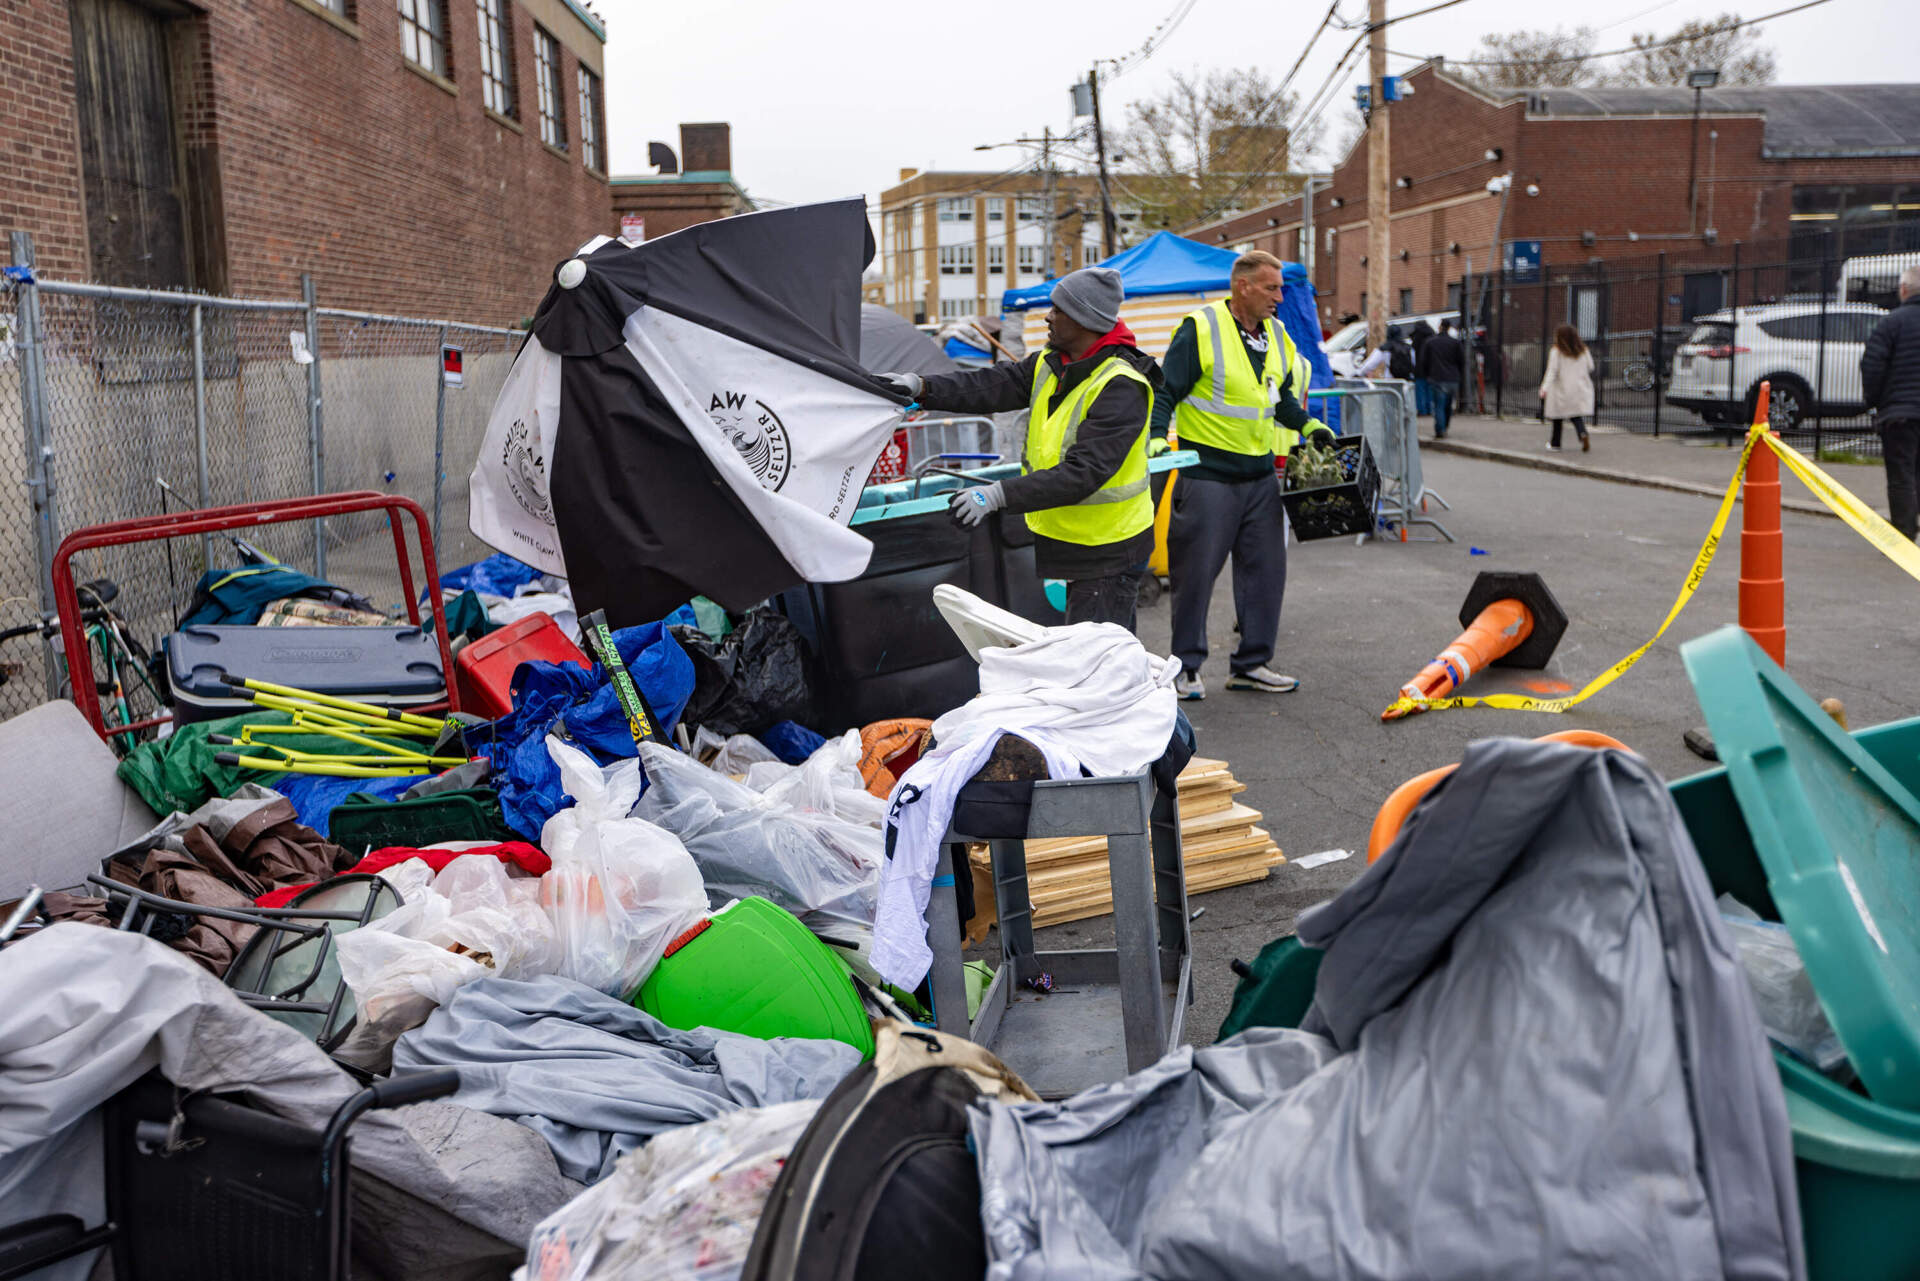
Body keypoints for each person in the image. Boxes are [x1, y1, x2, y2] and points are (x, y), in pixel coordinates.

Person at [875, 266, 1163, 630]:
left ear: (1085, 319)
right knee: (1087, 658)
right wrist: (921, 387)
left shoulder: (1121, 385)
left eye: (1058, 310)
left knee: (1097, 669)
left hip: (1108, 550)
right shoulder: (1052, 363)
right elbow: (990, 385)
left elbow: (1083, 473)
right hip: (1073, 543)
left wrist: (996, 495)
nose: (1048, 316)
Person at [1150, 249, 1332, 699]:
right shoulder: (1202, 328)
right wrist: (1156, 435)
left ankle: (1251, 664)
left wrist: (1308, 425)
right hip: (1207, 476)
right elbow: (1165, 390)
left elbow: (1281, 400)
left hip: (1258, 478)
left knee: (1265, 574)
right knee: (1194, 578)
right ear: (1243, 287)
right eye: (1271, 288)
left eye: (1281, 288)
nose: (1279, 297)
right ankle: (1186, 669)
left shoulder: (1278, 336)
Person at [1862, 263, 1920, 541]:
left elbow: (1872, 365)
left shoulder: (1891, 322)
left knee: (1901, 474)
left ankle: (1905, 535)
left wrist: (1873, 401)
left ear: (1904, 289)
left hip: (1900, 414)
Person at [1540, 324, 1596, 452]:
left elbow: (1552, 371)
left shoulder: (1556, 351)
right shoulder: (1583, 350)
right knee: (1575, 415)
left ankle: (1555, 444)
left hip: (1562, 388)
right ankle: (1582, 433)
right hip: (1579, 388)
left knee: (1557, 418)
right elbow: (1591, 367)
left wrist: (1545, 387)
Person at [1416, 319, 1465, 438]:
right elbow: (1461, 361)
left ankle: (1440, 430)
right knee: (1447, 406)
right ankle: (1445, 426)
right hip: (1452, 378)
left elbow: (1424, 361)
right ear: (1449, 328)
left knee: (1439, 405)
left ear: (1440, 327)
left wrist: (1428, 374)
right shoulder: (1455, 343)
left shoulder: (1430, 342)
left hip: (1437, 377)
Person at [1408, 318, 1436, 416]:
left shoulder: (1416, 338)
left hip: (1419, 368)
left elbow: (1413, 354)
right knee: (1430, 390)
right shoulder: (1433, 336)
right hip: (1432, 368)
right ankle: (1430, 409)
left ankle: (1422, 410)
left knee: (1420, 390)